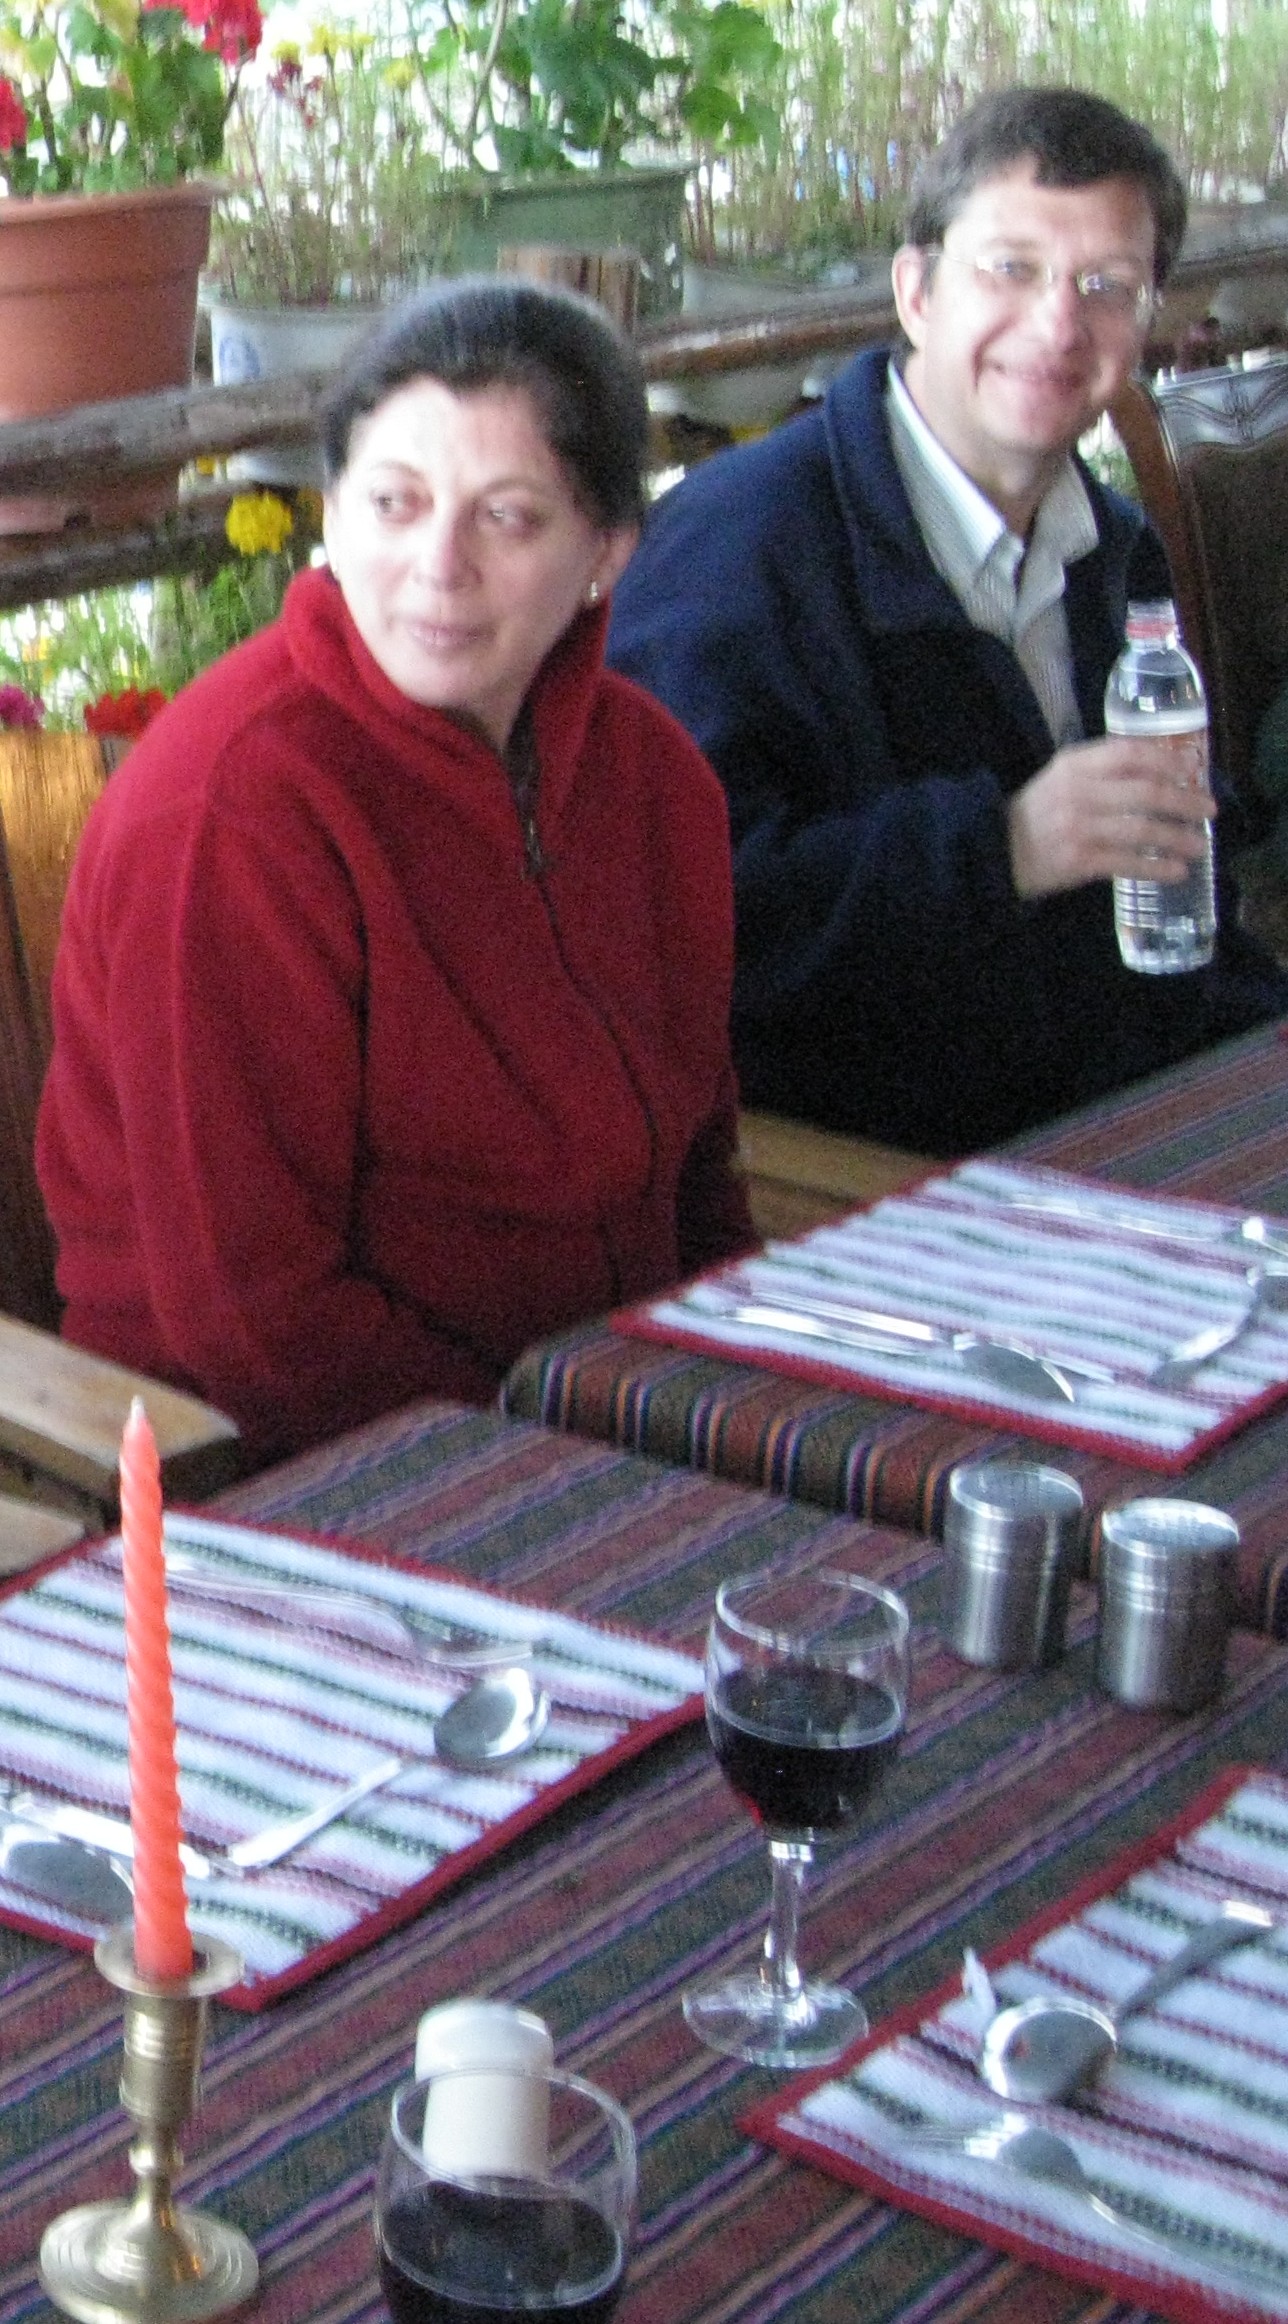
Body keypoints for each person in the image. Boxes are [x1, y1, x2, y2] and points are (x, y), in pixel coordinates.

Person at [37, 281, 755, 1462]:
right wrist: (548, 1458)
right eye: (393, 503)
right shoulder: (234, 808)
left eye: (506, 517)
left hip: (609, 1406)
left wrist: (735, 1401)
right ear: (329, 513)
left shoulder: (652, 779)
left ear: (605, 553)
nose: (437, 566)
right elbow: (252, 1315)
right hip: (281, 1454)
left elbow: (697, 1178)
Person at [606, 86, 1288, 1154]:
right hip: (871, 1165)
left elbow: (1170, 897)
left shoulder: (1112, 548)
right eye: (1009, 268)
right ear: (916, 293)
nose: (1057, 324)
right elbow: (666, 927)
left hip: (1126, 1110)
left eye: (1106, 286)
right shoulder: (741, 547)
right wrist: (1006, 845)